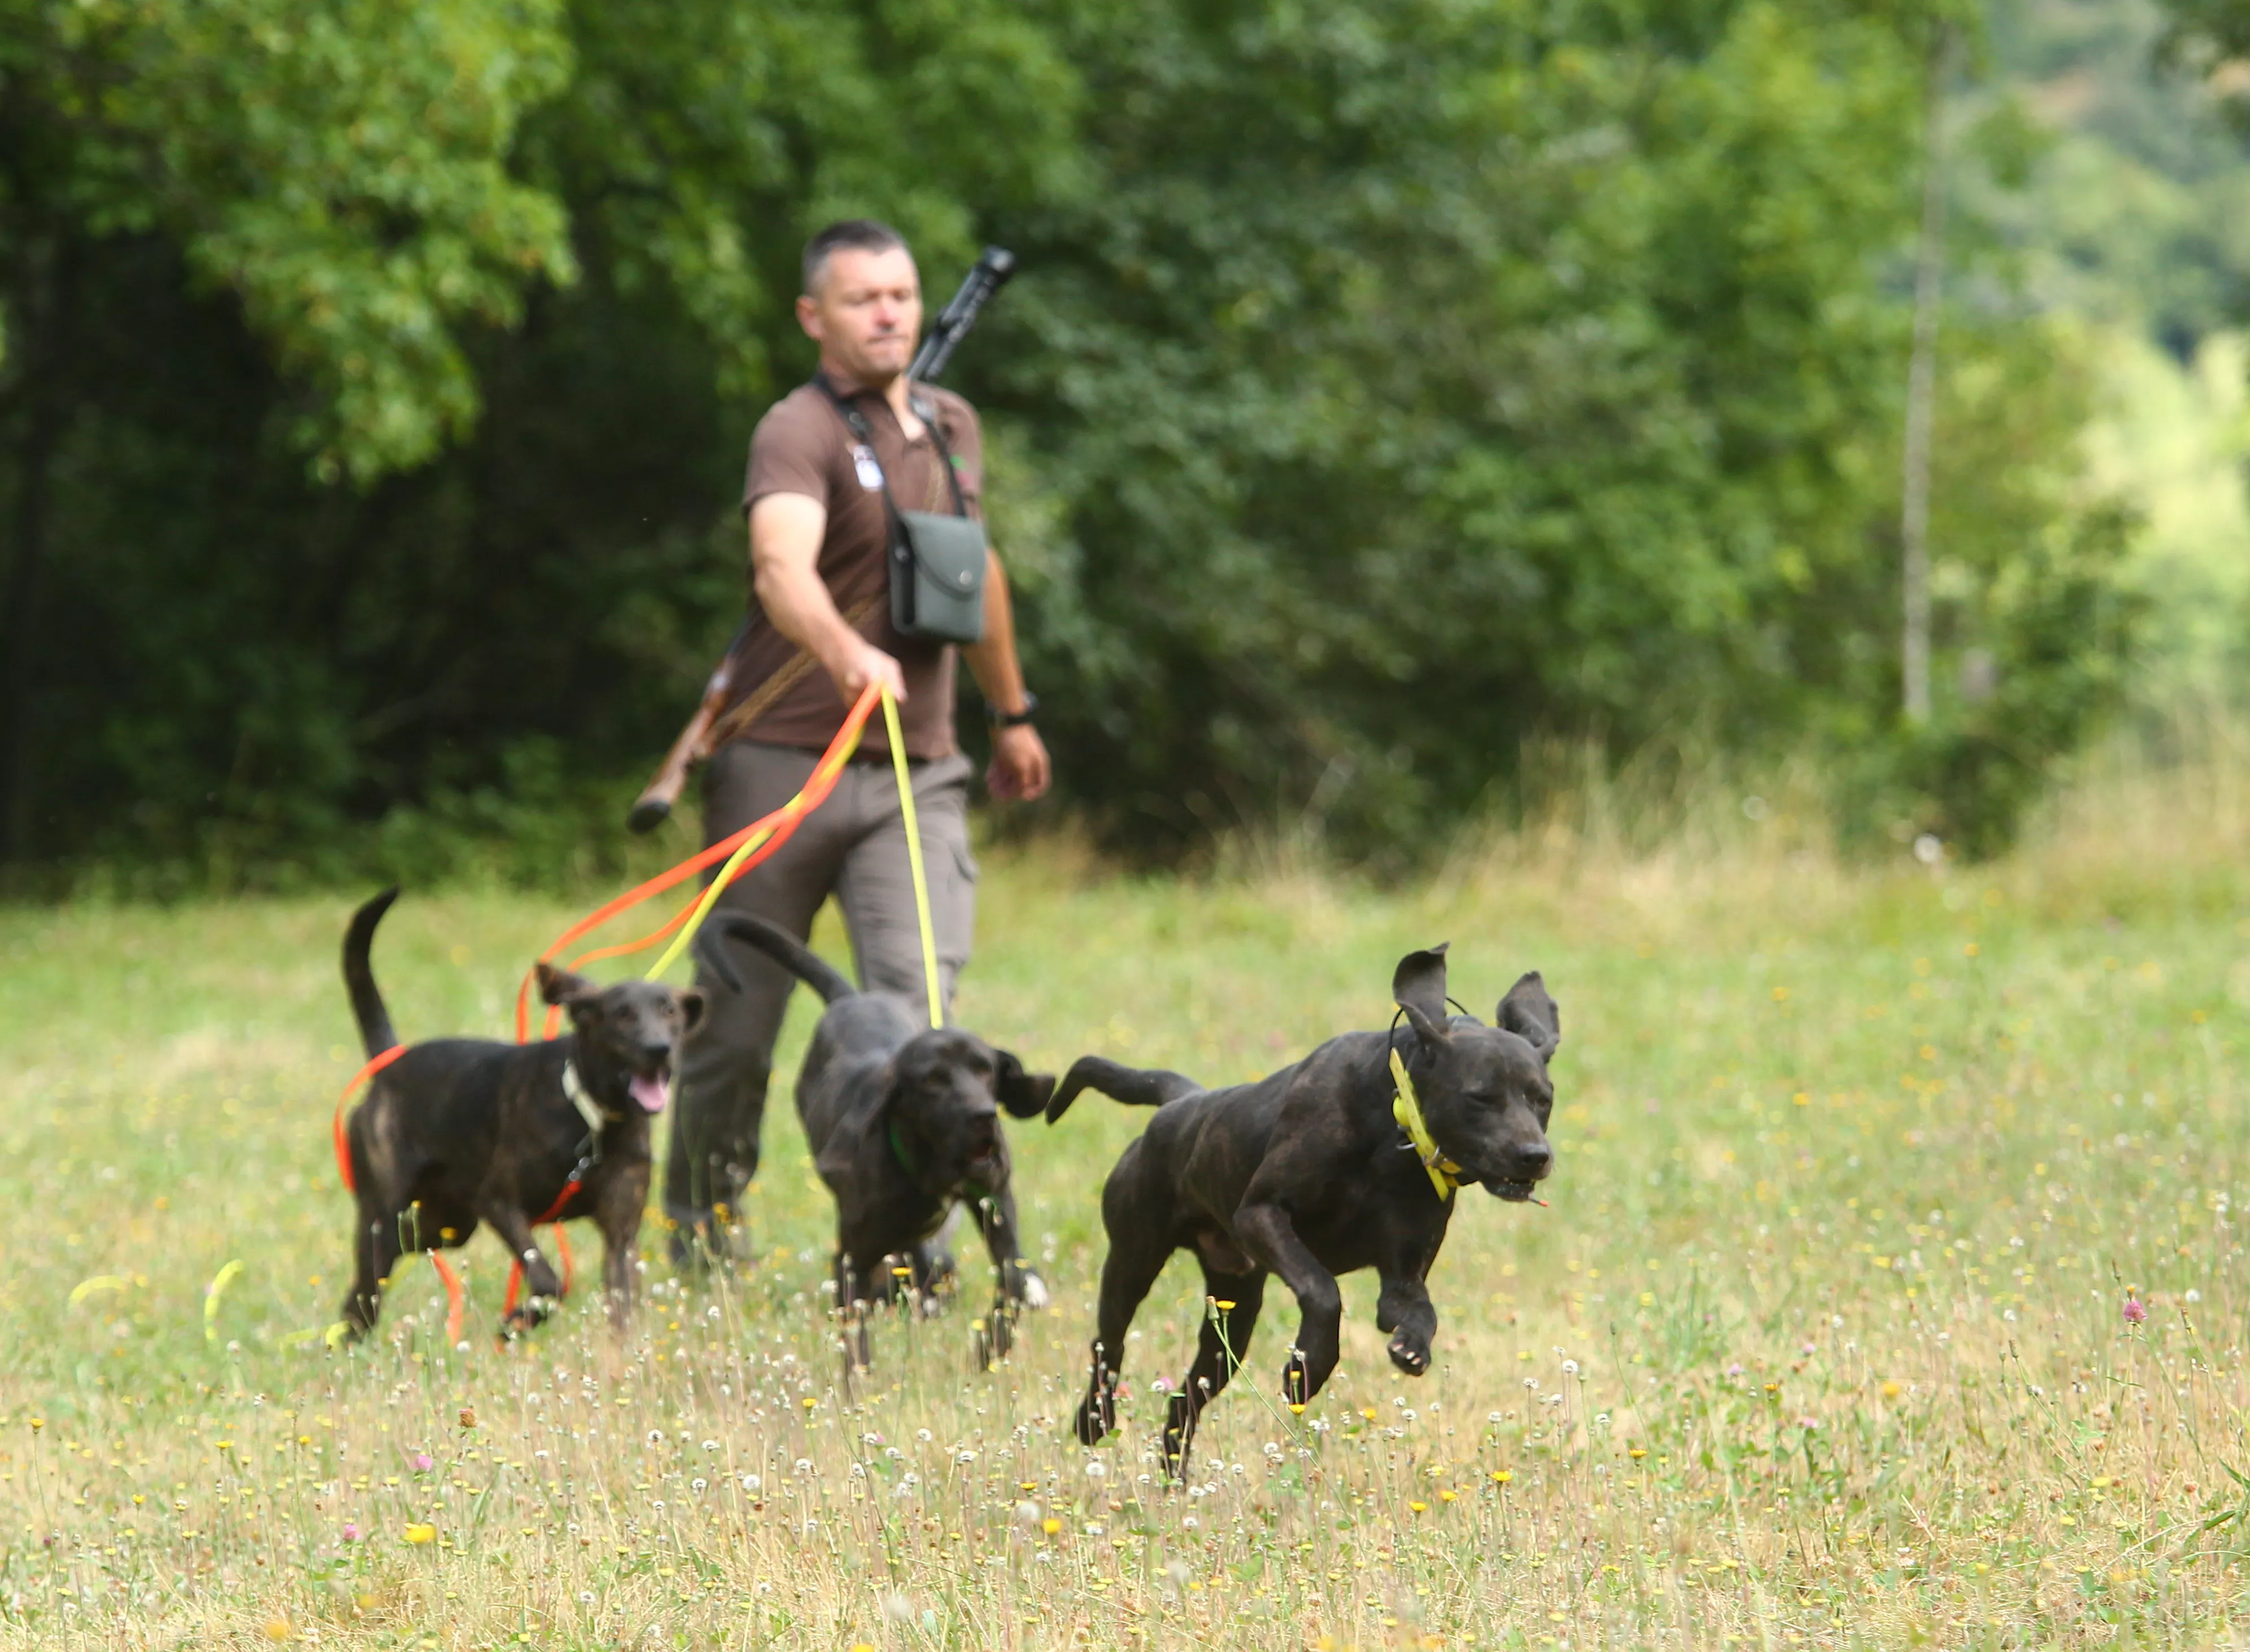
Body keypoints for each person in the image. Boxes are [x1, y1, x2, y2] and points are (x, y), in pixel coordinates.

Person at [664, 218, 1051, 1262]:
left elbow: (975, 569)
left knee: (918, 1024)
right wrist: (843, 652)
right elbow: (780, 570)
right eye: (861, 297)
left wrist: (1011, 713)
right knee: (734, 1031)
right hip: (782, 769)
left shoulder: (948, 422)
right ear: (814, 316)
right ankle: (704, 1232)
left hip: (917, 773)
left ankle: (908, 1236)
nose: (887, 312)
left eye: (901, 294)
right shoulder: (796, 430)